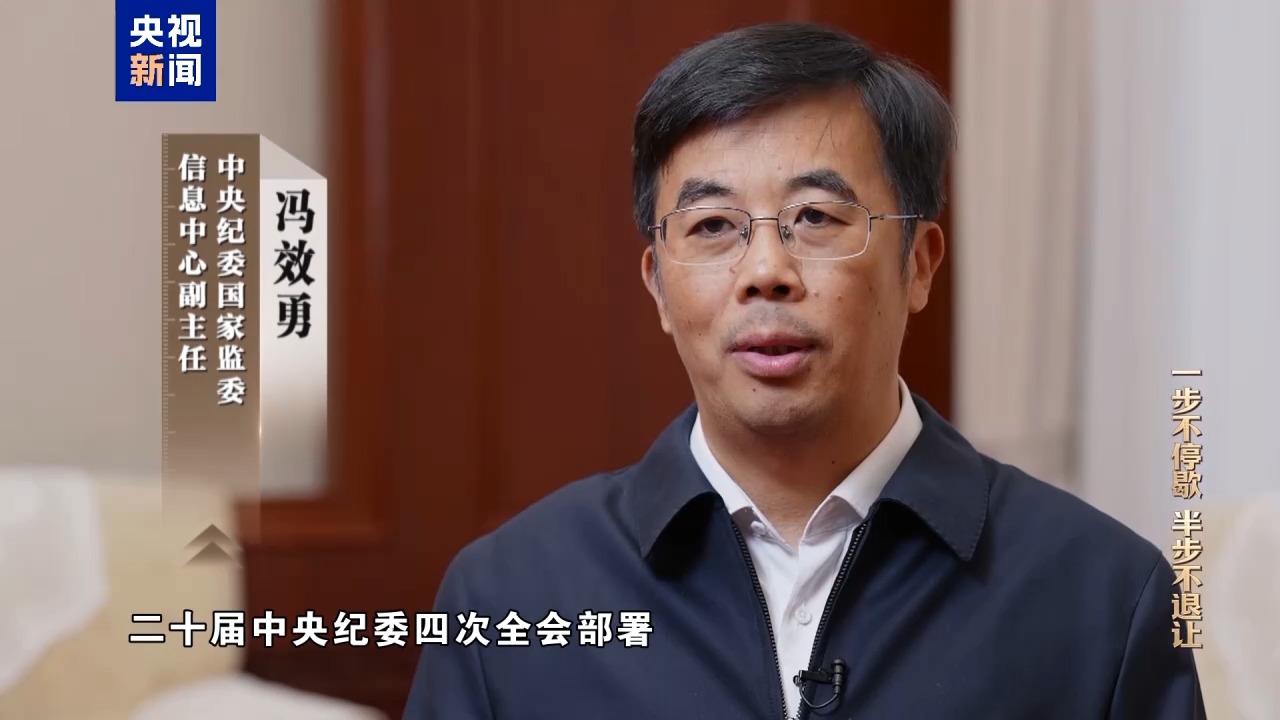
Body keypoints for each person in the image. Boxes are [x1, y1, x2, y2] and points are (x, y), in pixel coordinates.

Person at [404, 22, 1205, 720]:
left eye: (816, 218)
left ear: (919, 264)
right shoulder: (509, 595)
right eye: (713, 226)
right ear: (658, 287)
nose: (765, 272)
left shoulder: (1103, 594)